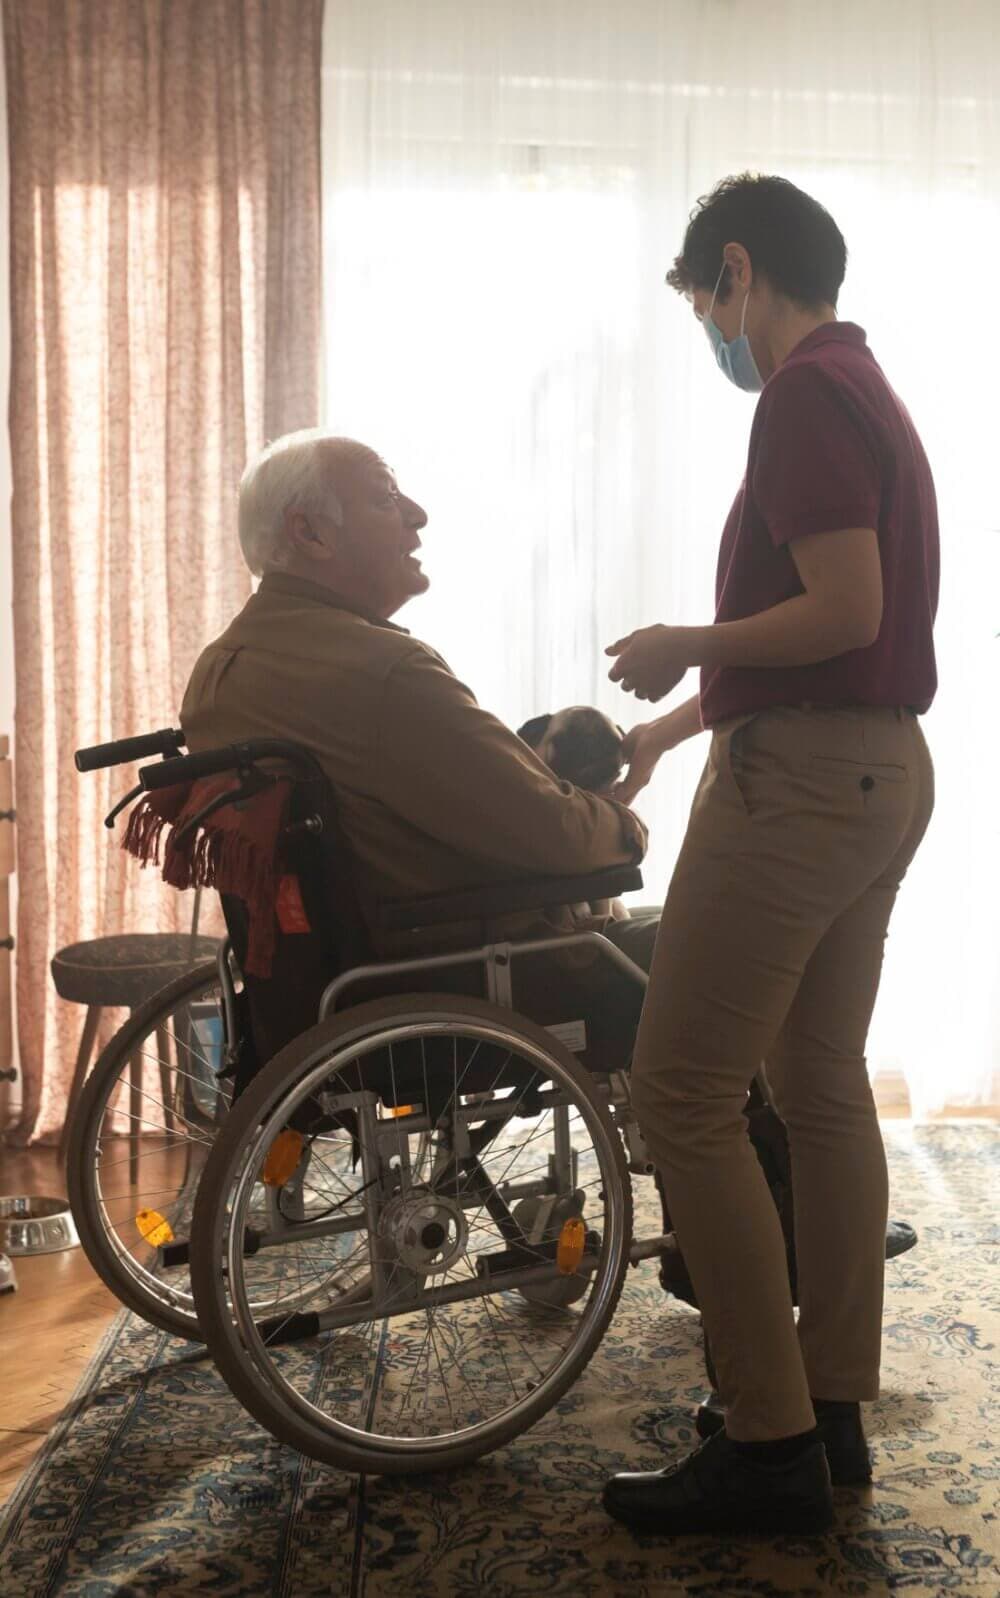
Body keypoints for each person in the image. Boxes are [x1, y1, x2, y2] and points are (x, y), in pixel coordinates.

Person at [601, 174, 938, 1536]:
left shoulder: (802, 393)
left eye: (704, 306)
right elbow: (842, 637)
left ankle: (769, 1437)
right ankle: (828, 1403)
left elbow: (842, 609)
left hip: (801, 783)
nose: (712, 334)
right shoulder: (865, 388)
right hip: (875, 767)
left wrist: (685, 643)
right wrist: (677, 724)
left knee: (680, 1091)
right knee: (818, 1085)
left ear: (737, 272)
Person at [181, 432, 657, 975]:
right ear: (310, 533)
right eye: (386, 498)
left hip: (325, 984)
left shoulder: (213, 677)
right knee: (726, 940)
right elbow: (558, 835)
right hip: (488, 969)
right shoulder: (384, 672)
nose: (419, 515)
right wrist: (624, 821)